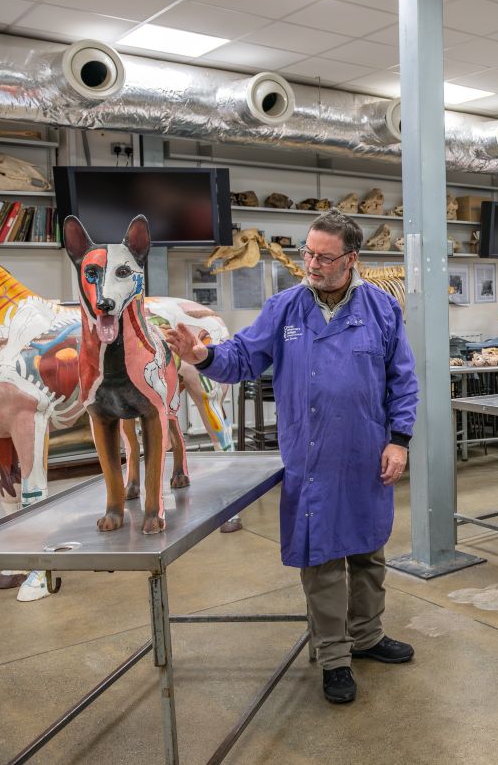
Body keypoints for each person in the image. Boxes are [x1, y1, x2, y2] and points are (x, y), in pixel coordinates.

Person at [161, 209, 418, 706]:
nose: (311, 265)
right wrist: (203, 357)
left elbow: (402, 382)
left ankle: (366, 636)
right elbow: (242, 357)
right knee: (321, 558)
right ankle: (335, 656)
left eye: (323, 257)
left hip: (367, 454)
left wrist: (399, 440)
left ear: (351, 259)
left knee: (368, 551)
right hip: (313, 456)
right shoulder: (284, 308)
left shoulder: (382, 312)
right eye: (308, 253)